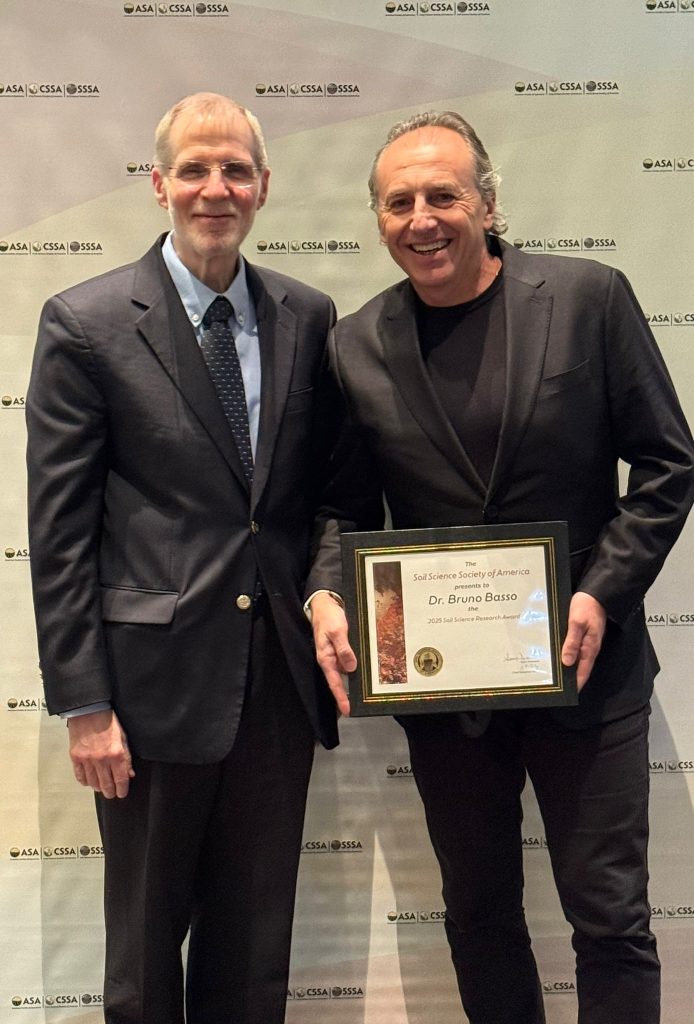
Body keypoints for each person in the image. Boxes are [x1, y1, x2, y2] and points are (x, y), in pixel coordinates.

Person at [306, 111, 694, 1023]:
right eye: (398, 201)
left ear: (486, 202)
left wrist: (603, 588)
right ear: (378, 220)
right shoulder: (355, 343)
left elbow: (669, 462)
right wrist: (327, 591)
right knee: (479, 916)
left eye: (442, 194)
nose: (422, 218)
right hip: (447, 693)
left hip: (587, 675)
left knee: (609, 920)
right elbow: (342, 509)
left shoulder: (590, 298)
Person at [26, 92, 339, 1024]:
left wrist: (324, 595)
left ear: (264, 187)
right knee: (146, 966)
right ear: (159, 183)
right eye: (195, 169)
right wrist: (85, 704)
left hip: (276, 688)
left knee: (254, 964)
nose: (216, 188)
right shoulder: (85, 324)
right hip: (147, 696)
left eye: (236, 169)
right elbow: (61, 531)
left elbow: (321, 498)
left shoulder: (308, 316)